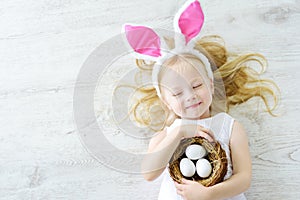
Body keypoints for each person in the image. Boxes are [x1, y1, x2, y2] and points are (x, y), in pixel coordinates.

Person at [122, 0, 278, 199]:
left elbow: (244, 177)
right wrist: (179, 133)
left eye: (196, 86)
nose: (190, 96)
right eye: (177, 93)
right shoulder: (166, 135)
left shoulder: (229, 127)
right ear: (166, 101)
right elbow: (149, 173)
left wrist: (209, 194)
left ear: (211, 85)